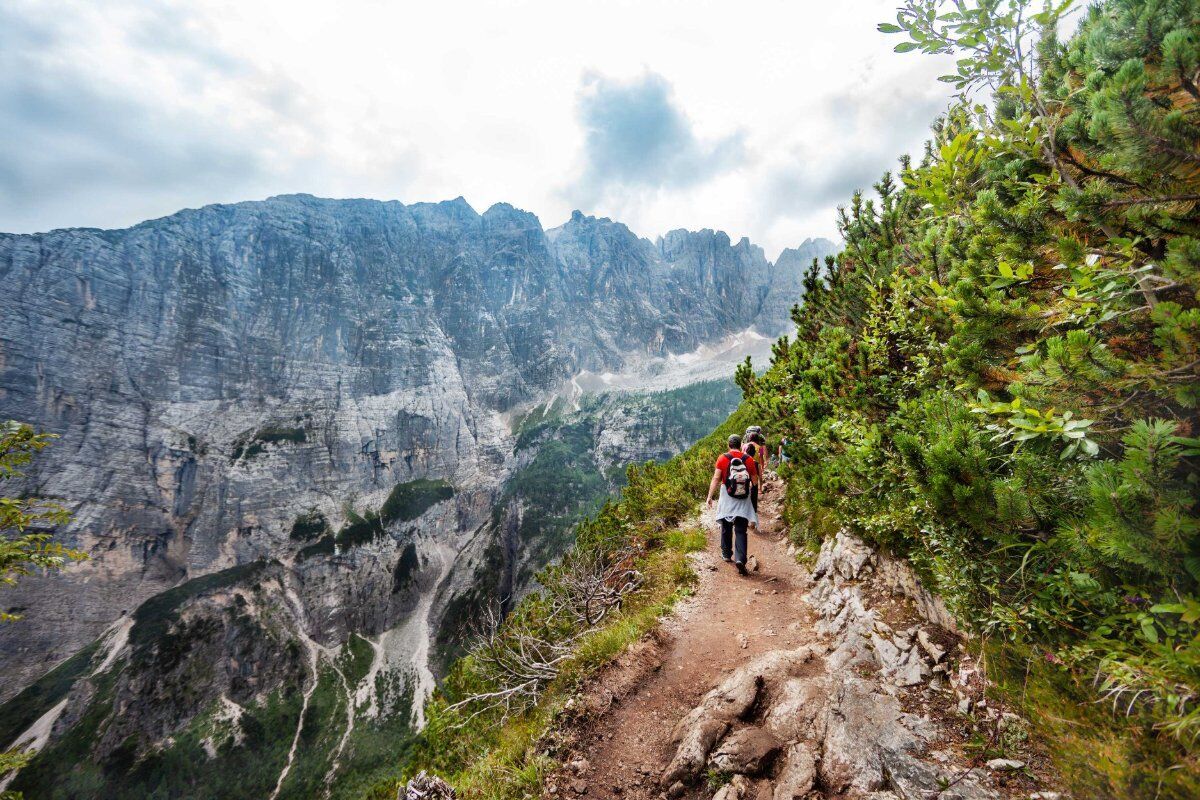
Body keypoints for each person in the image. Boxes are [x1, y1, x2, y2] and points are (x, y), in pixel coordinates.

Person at [705, 434, 759, 574]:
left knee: (726, 525)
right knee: (741, 530)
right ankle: (740, 558)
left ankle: (727, 554)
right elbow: (754, 482)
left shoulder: (723, 458)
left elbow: (716, 478)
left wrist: (709, 497)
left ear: (728, 445)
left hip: (727, 497)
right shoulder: (748, 459)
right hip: (743, 498)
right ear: (741, 444)